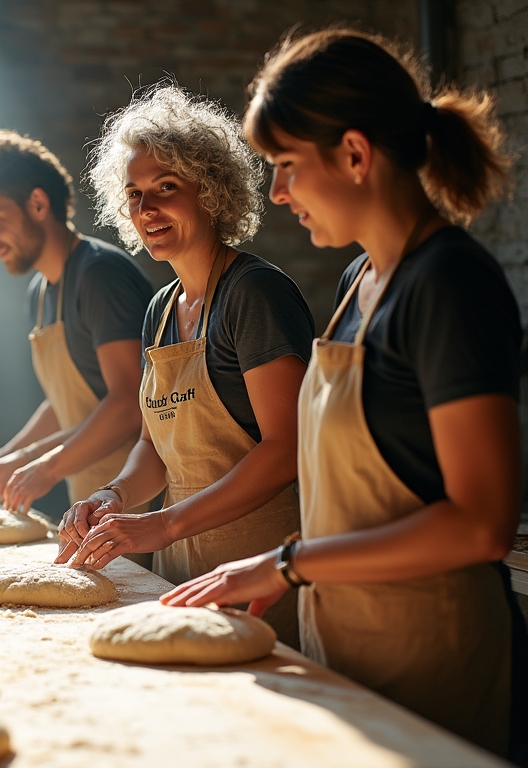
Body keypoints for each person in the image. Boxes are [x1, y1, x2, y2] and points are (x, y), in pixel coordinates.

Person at [161, 30, 526, 760]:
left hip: (435, 658)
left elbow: (481, 524)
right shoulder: (358, 283)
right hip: (351, 647)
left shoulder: (448, 284)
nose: (277, 193)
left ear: (356, 155)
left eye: (288, 166)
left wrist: (289, 561)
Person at [54, 84, 315, 649]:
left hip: (261, 575)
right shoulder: (161, 306)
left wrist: (163, 523)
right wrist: (116, 496)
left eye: (166, 189)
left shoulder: (255, 295)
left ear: (214, 191)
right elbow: (156, 447)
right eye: (134, 194)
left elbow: (287, 446)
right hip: (180, 575)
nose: (146, 209)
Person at [0, 130, 154, 516]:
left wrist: (44, 466)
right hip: (88, 499)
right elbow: (66, 402)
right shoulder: (41, 291)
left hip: (136, 499)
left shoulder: (99, 274)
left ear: (38, 204)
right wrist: (6, 456)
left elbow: (128, 404)